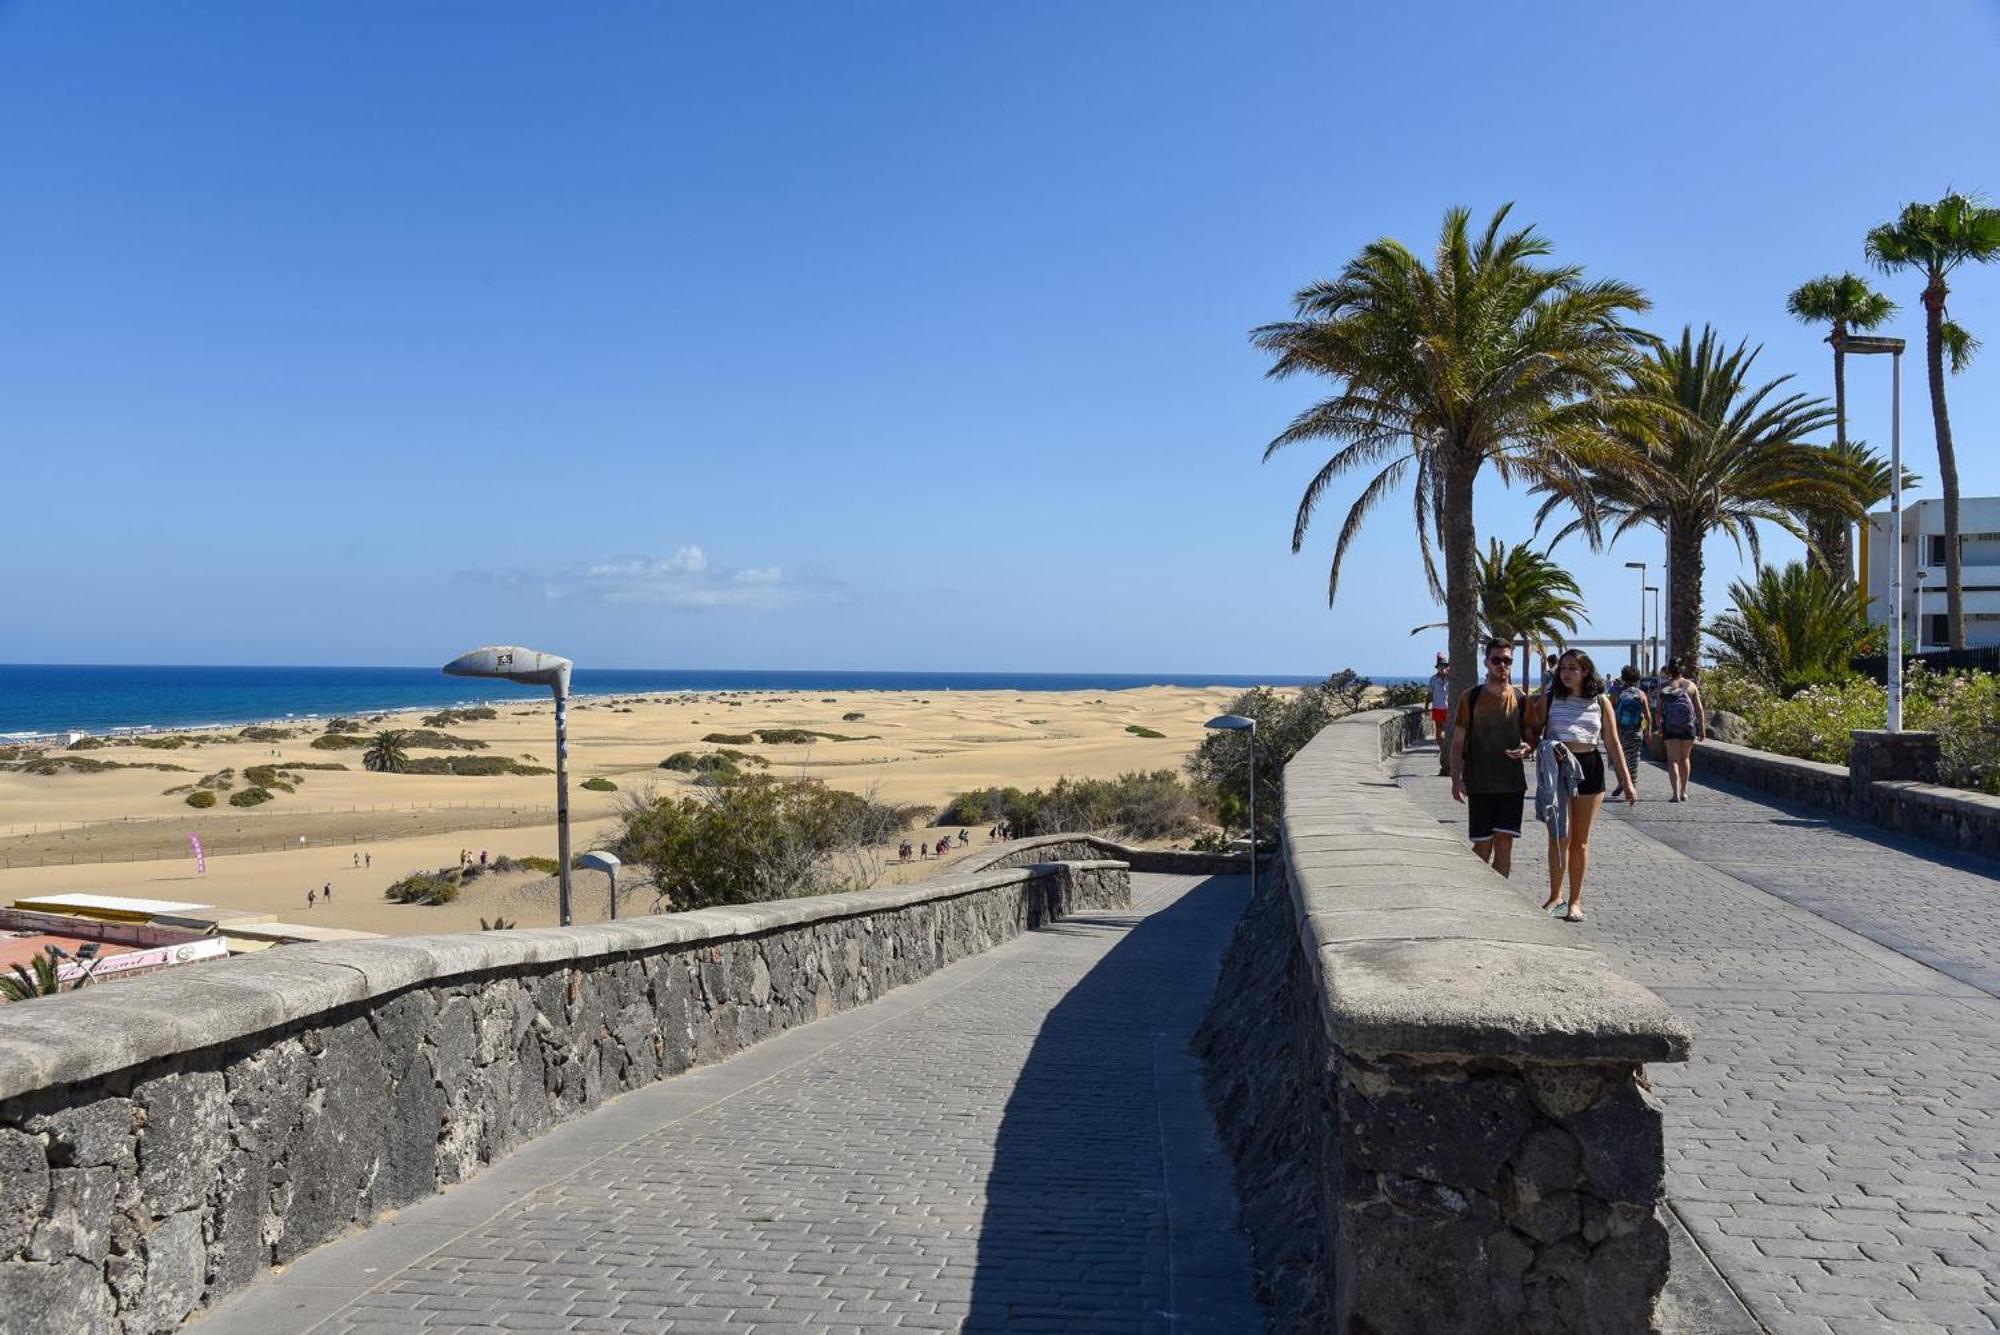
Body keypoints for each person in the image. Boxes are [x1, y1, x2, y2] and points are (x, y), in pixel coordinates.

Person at [1537, 649, 1637, 922]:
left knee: (1579, 841)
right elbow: (1532, 729)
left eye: (1573, 668)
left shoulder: (1600, 701)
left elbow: (1612, 741)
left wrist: (1626, 781)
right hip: (1558, 769)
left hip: (1589, 769)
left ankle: (1575, 901)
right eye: (1564, 668)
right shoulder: (1550, 698)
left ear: (1585, 671)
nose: (1567, 673)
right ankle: (1555, 895)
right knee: (1559, 838)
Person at [1451, 639, 1533, 878]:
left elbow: (1531, 738)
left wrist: (1527, 749)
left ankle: (1501, 906)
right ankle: (1473, 892)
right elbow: (1458, 743)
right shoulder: (1471, 698)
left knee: (1505, 844)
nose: (1502, 665)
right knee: (1483, 846)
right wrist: (1456, 780)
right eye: (1496, 660)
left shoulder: (1521, 699)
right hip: (1480, 783)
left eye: (1507, 660)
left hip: (1511, 785)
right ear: (1486, 662)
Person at [1656, 659, 1707, 802]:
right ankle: (1684, 791)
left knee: (1672, 760)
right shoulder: (1691, 686)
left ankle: (1675, 794)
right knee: (1685, 758)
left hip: (1670, 727)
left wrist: (1659, 726)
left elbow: (1659, 711)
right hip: (1688, 727)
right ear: (1682, 669)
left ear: (1669, 670)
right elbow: (1699, 709)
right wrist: (1702, 728)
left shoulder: (1664, 686)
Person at [1609, 665, 1653, 800]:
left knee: (1616, 758)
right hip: (1635, 732)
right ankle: (1632, 787)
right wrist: (1648, 732)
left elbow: (1609, 711)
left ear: (1623, 678)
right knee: (1633, 761)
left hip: (1619, 732)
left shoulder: (1617, 693)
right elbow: (1648, 715)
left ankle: (1620, 782)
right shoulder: (1641, 694)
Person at [1427, 654, 1453, 774]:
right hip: (1437, 708)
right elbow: (1430, 694)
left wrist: (1449, 673)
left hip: (1448, 709)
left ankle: (1447, 752)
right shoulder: (1433, 679)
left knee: (1448, 732)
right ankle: (1443, 749)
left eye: (1444, 666)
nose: (1442, 669)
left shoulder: (1450, 679)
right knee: (1438, 733)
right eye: (1440, 666)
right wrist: (1427, 706)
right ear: (1437, 667)